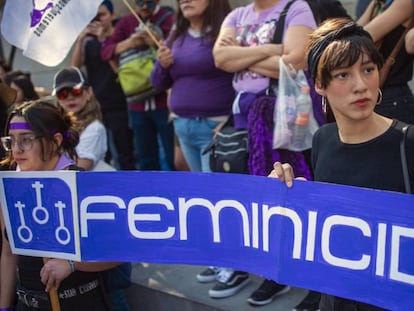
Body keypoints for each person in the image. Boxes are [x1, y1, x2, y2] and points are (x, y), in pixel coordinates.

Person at [271, 17, 413, 311]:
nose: (361, 85)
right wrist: (293, 195)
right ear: (320, 85)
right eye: (343, 75)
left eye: (368, 70)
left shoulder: (407, 142)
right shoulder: (323, 139)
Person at [212, 0, 316, 306]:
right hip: (245, 120)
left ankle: (301, 275)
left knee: (291, 196)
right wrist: (273, 50)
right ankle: (273, 272)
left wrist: (240, 57)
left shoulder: (296, 8)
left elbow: (297, 60)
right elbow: (219, 57)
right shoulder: (236, 14)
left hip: (283, 118)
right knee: (258, 201)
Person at [0, 100, 118, 310]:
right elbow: (9, 253)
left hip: (79, 303)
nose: (16, 150)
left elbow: (117, 251)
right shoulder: (11, 186)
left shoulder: (80, 184)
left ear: (54, 141)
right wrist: (4, 307)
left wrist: (72, 264)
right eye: (11, 141)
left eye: (26, 140)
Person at [151, 0, 233, 172]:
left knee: (212, 191)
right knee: (200, 190)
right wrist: (162, 65)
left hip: (215, 128)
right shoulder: (175, 36)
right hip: (183, 127)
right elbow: (158, 83)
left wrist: (232, 120)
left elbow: (242, 78)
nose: (184, 0)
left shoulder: (226, 33)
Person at [101, 0, 175, 171]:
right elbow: (106, 51)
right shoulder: (126, 22)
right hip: (137, 103)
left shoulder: (168, 18)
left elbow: (178, 45)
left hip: (165, 99)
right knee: (145, 157)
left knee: (171, 157)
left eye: (148, 3)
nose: (143, 7)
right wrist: (131, 43)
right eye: (139, 2)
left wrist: (158, 39)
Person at [72, 0, 136, 171]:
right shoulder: (88, 41)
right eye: (94, 17)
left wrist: (104, 42)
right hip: (97, 104)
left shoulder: (118, 38)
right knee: (100, 153)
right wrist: (80, 40)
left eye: (102, 15)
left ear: (112, 15)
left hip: (118, 103)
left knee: (124, 150)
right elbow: (74, 67)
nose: (98, 20)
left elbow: (120, 70)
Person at [357, 0, 414, 125]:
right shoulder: (377, 4)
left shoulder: (404, 3)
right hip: (373, 93)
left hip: (391, 97)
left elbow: (362, 37)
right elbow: (354, 31)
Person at [53, 67, 107, 171]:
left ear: (89, 92)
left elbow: (79, 169)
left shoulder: (94, 128)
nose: (70, 97)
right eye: (62, 94)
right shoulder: (56, 125)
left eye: (76, 91)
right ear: (57, 99)